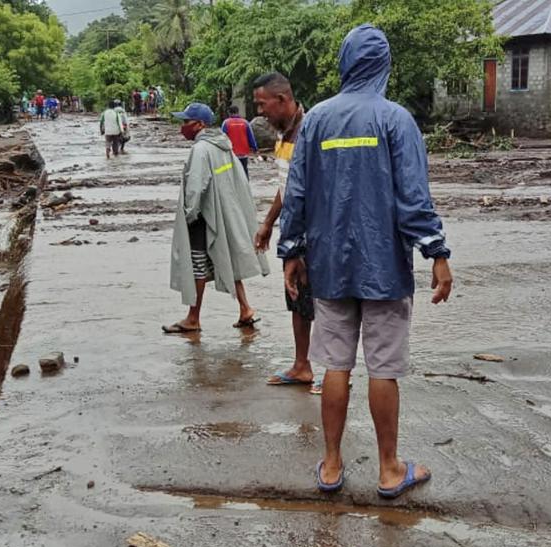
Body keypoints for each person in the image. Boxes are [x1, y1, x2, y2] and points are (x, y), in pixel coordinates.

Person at [277, 25, 453, 499]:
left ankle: (331, 465)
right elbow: (413, 199)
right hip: (385, 268)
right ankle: (389, 470)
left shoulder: (316, 121)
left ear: (345, 63)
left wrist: (291, 251)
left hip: (330, 266)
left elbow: (296, 193)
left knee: (335, 365)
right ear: (383, 65)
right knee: (383, 369)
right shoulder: (396, 120)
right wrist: (437, 253)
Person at [164, 102, 269, 334]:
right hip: (223, 211)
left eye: (186, 122)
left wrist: (190, 215)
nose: (183, 127)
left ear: (199, 124)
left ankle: (193, 318)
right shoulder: (223, 146)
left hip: (205, 217)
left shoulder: (201, 150)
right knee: (227, 259)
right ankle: (245, 309)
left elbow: (196, 186)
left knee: (198, 266)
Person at [251, 73, 318, 392]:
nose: (260, 112)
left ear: (282, 100)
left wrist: (302, 242)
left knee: (327, 302)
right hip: (292, 231)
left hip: (312, 233)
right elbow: (286, 186)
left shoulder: (310, 132)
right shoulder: (282, 135)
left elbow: (312, 189)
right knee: (298, 299)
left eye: (262, 104)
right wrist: (268, 223)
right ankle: (302, 364)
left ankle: (336, 371)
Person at [220, 106, 258, 175]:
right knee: (244, 171)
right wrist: (255, 148)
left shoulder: (226, 123)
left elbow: (222, 138)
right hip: (243, 153)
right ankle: (245, 185)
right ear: (238, 112)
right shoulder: (245, 122)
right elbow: (251, 137)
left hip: (231, 153)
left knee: (232, 173)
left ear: (229, 113)